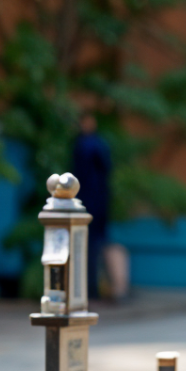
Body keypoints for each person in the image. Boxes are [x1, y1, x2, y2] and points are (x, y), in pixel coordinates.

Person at [70, 113, 120, 301]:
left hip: (91, 203)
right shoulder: (92, 144)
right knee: (92, 246)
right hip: (92, 203)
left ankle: (98, 288)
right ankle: (94, 288)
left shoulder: (89, 144)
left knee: (93, 246)